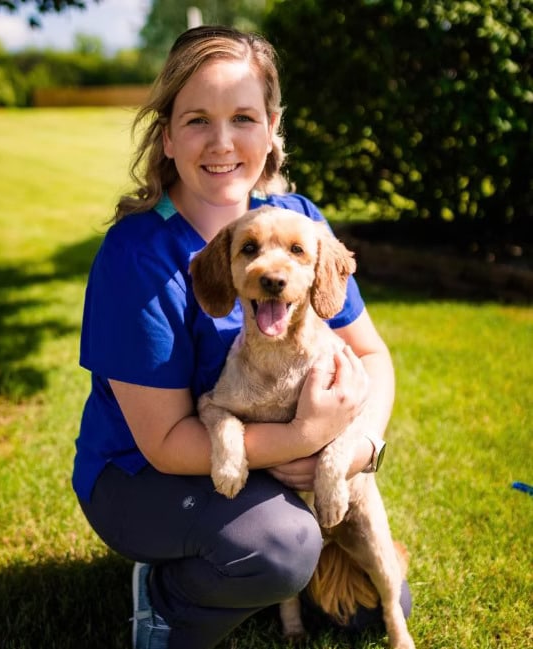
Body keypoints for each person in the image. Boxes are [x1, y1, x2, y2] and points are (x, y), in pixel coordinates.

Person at [73, 25, 409, 649]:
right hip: (145, 475)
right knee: (281, 548)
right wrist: (303, 438)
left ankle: (241, 570)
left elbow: (371, 353)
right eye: (198, 119)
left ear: (273, 127)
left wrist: (359, 446)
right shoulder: (137, 259)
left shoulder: (301, 222)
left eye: (244, 117)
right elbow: (169, 443)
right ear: (167, 135)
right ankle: (167, 602)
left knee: (360, 602)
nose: (223, 142)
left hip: (261, 461)